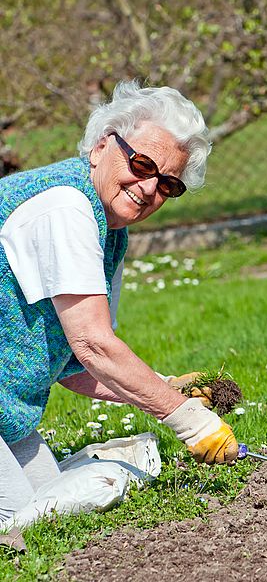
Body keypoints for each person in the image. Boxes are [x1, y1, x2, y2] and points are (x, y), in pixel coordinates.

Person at [0, 80, 239, 529]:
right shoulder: (66, 206)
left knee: (53, 506)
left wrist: (167, 387)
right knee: (16, 521)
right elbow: (94, 344)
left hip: (7, 413)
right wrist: (184, 418)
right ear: (102, 145)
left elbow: (75, 364)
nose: (149, 187)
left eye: (168, 184)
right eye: (142, 164)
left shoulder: (109, 230)